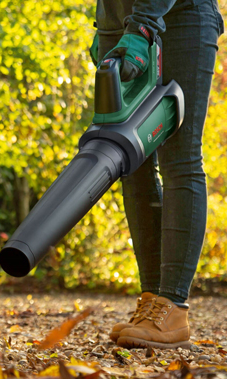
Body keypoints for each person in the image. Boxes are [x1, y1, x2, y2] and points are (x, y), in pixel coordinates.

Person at [92, 0, 224, 349]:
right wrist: (106, 25)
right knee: (131, 160)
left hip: (180, 15)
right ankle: (151, 303)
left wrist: (143, 25)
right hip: (122, 24)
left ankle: (173, 307)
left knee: (179, 156)